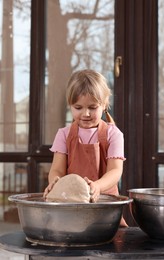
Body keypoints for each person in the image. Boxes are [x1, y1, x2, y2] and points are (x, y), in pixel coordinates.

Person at [44, 69, 127, 226]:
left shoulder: (113, 134)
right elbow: (57, 170)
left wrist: (97, 186)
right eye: (78, 107)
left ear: (104, 104)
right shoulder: (64, 134)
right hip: (70, 207)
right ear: (70, 105)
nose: (86, 113)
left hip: (105, 205)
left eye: (92, 107)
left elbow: (115, 171)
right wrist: (54, 183)